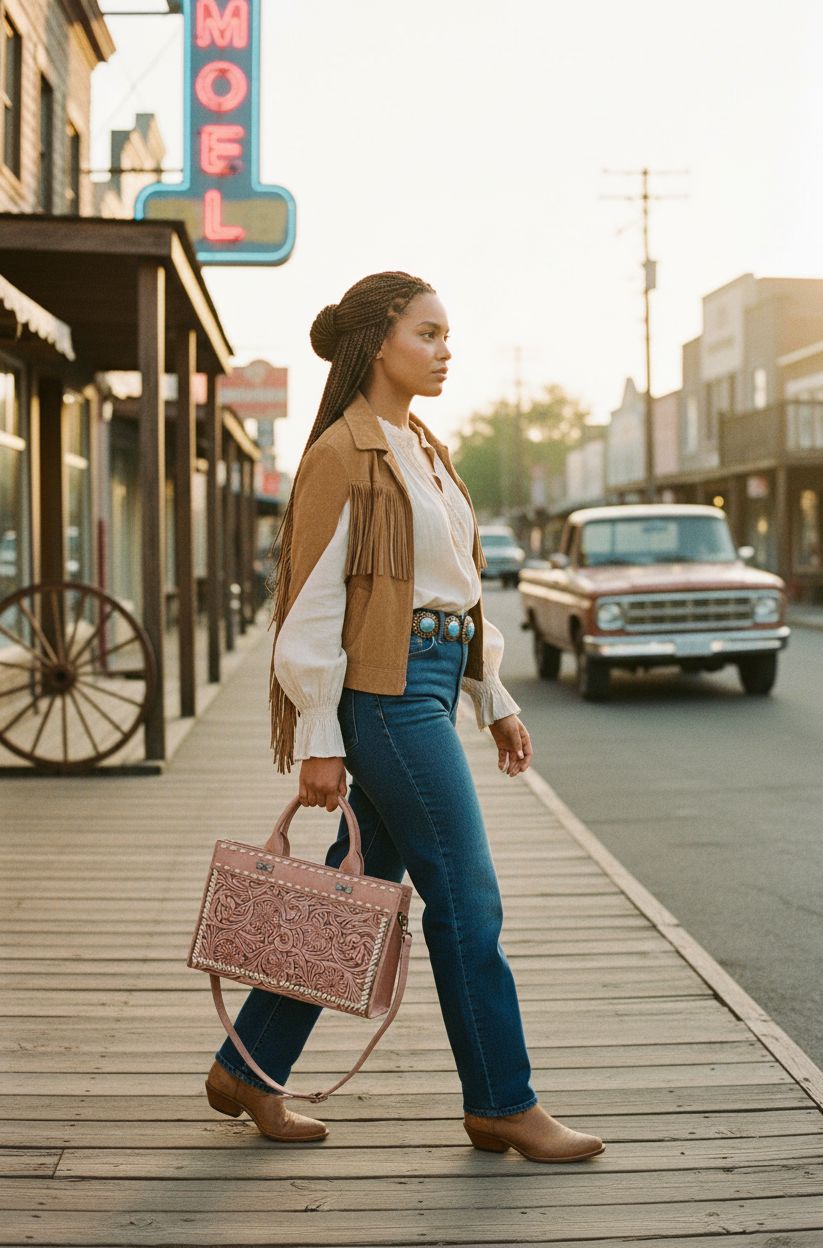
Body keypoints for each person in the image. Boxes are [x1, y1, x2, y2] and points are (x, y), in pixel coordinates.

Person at [204, 272, 604, 1163]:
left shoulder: (423, 447)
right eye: (428, 333)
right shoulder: (340, 455)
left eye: (448, 335)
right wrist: (318, 737)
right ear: (378, 341)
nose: (445, 349)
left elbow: (457, 594)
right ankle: (502, 1101)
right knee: (465, 894)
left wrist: (491, 698)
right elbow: (308, 609)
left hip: (430, 683)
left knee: (363, 896)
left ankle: (247, 1066)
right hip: (380, 697)